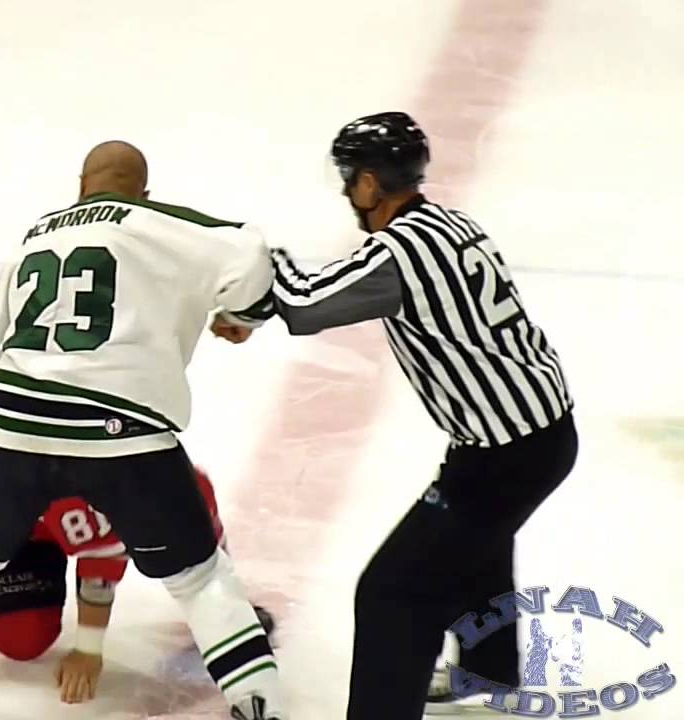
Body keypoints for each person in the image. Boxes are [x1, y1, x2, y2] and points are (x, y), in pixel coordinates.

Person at [0, 141, 285, 720]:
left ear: (79, 186)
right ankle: (258, 704)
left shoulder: (37, 236)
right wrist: (240, 316)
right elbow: (251, 252)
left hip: (15, 425)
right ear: (144, 193)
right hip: (125, 430)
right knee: (200, 577)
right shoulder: (157, 222)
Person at [212, 111, 578, 718]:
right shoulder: (451, 224)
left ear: (372, 183)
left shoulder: (399, 253)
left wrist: (255, 258)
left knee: (392, 591)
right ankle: (492, 671)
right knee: (476, 545)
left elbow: (305, 304)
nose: (345, 187)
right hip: (536, 429)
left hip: (504, 452)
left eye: (350, 175)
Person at [0, 391, 263, 705]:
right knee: (22, 640)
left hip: (56, 474)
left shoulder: (63, 469)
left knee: (181, 501)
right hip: (18, 508)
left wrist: (89, 648)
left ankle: (220, 587)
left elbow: (102, 551)